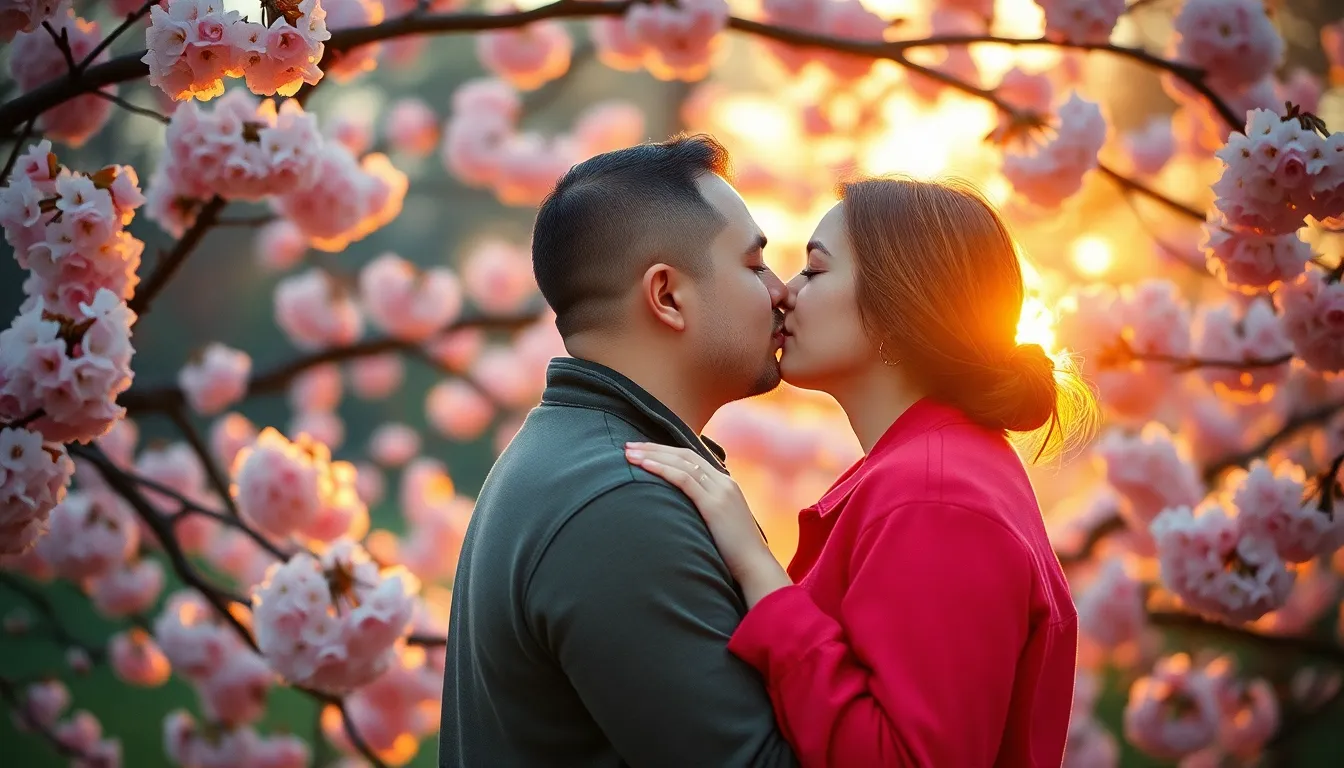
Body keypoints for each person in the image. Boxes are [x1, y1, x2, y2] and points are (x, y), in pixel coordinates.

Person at [626, 177, 1098, 767]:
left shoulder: (936, 497)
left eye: (814, 272)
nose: (783, 292)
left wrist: (756, 567)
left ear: (899, 306)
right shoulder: (931, 471)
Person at [439, 134, 799, 767]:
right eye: (753, 263)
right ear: (666, 295)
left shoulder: (569, 458)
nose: (780, 290)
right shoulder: (620, 502)